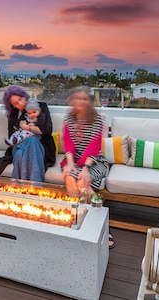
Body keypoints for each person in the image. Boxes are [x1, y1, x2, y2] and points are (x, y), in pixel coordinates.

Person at [60, 86, 114, 248]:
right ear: (72, 101)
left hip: (95, 161)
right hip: (73, 160)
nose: (80, 102)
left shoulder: (97, 119)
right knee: (70, 178)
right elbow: (68, 144)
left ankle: (102, 226)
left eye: (84, 99)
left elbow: (94, 147)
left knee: (82, 183)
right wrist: (70, 164)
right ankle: (77, 219)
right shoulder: (69, 118)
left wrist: (84, 169)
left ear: (89, 101)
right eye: (77, 98)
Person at [0, 86, 56, 181]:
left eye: (20, 99)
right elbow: (11, 135)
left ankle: (17, 186)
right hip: (19, 144)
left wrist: (27, 128)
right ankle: (35, 186)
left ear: (24, 96)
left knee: (24, 150)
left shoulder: (41, 106)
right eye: (16, 103)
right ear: (12, 105)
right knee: (22, 148)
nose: (20, 103)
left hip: (41, 146)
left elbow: (47, 131)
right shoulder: (13, 114)